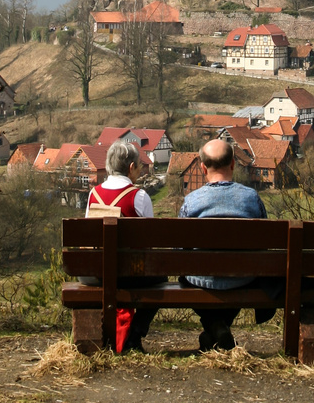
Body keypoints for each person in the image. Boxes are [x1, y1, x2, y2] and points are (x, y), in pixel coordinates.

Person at [178, 138, 283, 352]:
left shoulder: (191, 201)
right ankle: (219, 327)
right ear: (233, 164)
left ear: (202, 167)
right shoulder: (251, 198)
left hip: (201, 279)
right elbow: (264, 243)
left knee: (185, 277)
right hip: (242, 278)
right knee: (239, 274)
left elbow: (179, 251)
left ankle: (216, 326)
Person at [85, 139, 163, 352]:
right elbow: (150, 242)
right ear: (131, 167)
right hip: (130, 273)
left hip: (99, 271)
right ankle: (135, 334)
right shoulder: (139, 196)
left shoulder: (93, 194)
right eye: (138, 166)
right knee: (161, 281)